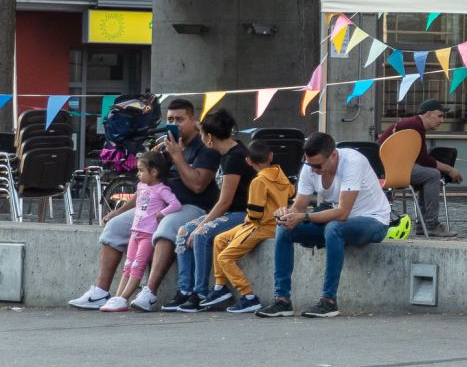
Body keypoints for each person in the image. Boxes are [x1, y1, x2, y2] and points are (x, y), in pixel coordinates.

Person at [69, 97, 221, 312]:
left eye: (180, 119)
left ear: (192, 120)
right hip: (155, 206)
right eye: (170, 119)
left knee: (167, 226)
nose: (174, 124)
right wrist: (120, 211)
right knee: (114, 227)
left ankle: (149, 292)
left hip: (191, 207)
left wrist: (178, 157)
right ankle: (100, 292)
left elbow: (198, 185)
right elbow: (147, 187)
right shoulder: (164, 148)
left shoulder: (206, 149)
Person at [256, 132, 394, 318]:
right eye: (309, 164)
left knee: (334, 228)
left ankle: (329, 301)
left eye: (318, 165)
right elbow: (299, 205)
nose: (313, 170)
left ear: (333, 155)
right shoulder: (310, 167)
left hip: (374, 221)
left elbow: (343, 213)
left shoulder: (353, 162)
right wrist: (286, 214)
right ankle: (282, 300)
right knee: (284, 228)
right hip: (339, 223)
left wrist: (304, 216)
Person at [168, 108, 252, 312]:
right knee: (183, 232)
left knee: (200, 234)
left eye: (203, 134)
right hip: (228, 212)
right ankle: (185, 290)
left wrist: (202, 225)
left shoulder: (235, 158)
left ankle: (201, 292)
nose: (200, 137)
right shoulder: (224, 151)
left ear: (210, 138)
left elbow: (225, 202)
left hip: (241, 214)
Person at [200, 140, 296, 314]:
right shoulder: (280, 174)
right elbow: (291, 192)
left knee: (224, 258)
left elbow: (255, 213)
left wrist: (248, 220)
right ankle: (219, 286)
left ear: (248, 161)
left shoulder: (258, 182)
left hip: (261, 226)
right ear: (271, 156)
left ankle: (248, 296)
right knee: (220, 239)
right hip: (272, 224)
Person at [98, 153, 180, 313]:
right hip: (135, 232)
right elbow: (137, 201)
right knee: (128, 265)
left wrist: (162, 213)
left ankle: (124, 298)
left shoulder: (162, 189)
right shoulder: (142, 186)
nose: (138, 174)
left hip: (147, 235)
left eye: (141, 170)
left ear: (154, 172)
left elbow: (175, 204)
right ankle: (118, 297)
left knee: (137, 266)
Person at [378, 99, 463, 238]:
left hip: (389, 167)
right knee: (432, 175)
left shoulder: (414, 124)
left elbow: (419, 159)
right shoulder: (414, 126)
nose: (442, 120)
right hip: (389, 169)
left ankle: (423, 226)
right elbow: (424, 159)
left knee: (428, 175)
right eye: (440, 116)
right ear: (428, 114)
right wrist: (449, 169)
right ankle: (431, 225)